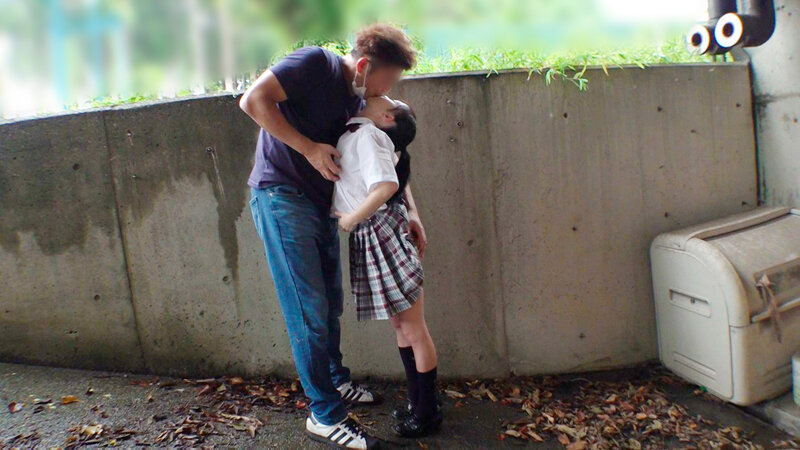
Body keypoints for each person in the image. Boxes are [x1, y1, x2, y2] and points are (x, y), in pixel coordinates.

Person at [240, 23, 422, 449]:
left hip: (321, 204)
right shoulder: (314, 63)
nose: (387, 92)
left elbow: (390, 159)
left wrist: (411, 211)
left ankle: (336, 380)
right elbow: (252, 100)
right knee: (308, 313)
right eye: (387, 81)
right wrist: (308, 148)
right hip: (282, 197)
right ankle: (324, 416)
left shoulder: (358, 102)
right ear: (363, 66)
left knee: (329, 305)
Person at [332, 96, 441, 438]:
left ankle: (427, 412)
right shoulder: (366, 134)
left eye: (389, 101)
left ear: (386, 117)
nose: (382, 94)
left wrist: (350, 218)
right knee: (401, 325)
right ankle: (417, 402)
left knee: (413, 328)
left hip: (381, 231)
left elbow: (387, 185)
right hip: (374, 233)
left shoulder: (370, 135)